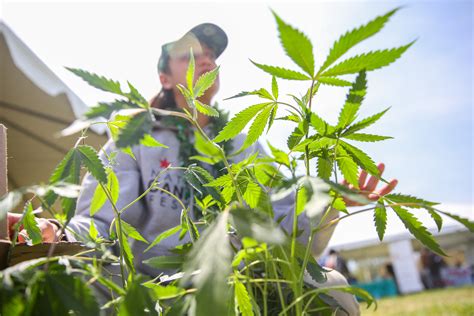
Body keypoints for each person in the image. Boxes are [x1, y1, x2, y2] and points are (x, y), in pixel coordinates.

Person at [7, 22, 398, 314]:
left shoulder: (244, 143)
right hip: (156, 284)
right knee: (70, 288)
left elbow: (279, 218)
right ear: (165, 76)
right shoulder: (132, 137)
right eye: (191, 54)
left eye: (212, 54)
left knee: (330, 288)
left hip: (245, 279)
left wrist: (328, 202)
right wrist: (54, 233)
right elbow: (99, 223)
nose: (207, 59)